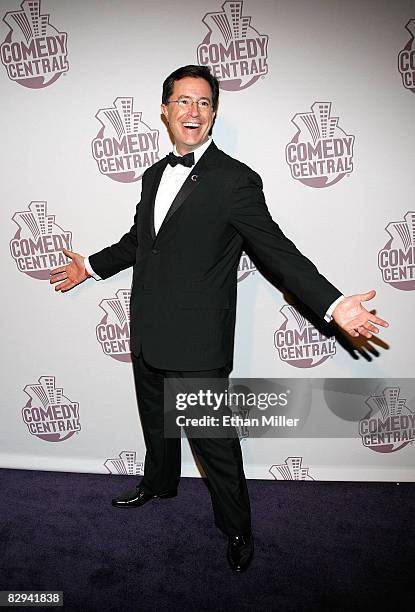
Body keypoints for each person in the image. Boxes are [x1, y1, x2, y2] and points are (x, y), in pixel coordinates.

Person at [50, 65, 389, 572]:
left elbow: (278, 252)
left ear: (214, 113)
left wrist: (336, 304)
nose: (193, 111)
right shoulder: (151, 174)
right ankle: (159, 485)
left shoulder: (235, 180)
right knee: (156, 425)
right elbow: (140, 242)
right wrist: (92, 267)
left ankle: (237, 529)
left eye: (204, 102)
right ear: (164, 110)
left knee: (216, 446)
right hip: (146, 329)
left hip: (198, 339)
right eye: (183, 101)